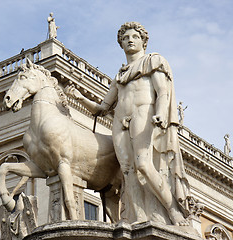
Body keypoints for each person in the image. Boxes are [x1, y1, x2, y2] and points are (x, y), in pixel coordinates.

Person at [66, 22, 190, 225]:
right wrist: (80, 98)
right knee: (128, 171)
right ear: (121, 44)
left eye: (134, 37)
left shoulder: (152, 61)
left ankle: (172, 210)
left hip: (144, 115)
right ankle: (138, 217)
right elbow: (103, 107)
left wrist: (160, 113)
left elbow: (163, 92)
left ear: (143, 41)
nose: (130, 40)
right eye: (125, 38)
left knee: (143, 164)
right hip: (120, 122)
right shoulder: (120, 75)